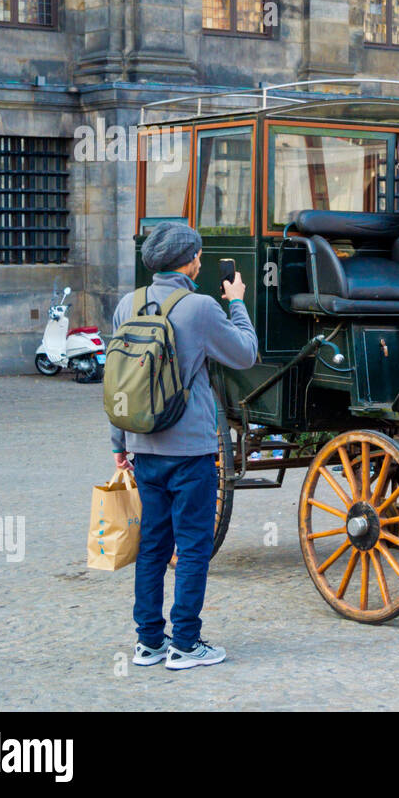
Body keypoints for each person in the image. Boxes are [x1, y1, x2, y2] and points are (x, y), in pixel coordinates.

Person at [110, 222, 258, 670]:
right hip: (190, 448)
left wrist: (119, 441)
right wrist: (237, 303)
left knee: (152, 547)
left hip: (142, 444)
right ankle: (186, 645)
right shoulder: (200, 306)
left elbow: (119, 377)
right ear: (191, 261)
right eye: (198, 255)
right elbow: (244, 354)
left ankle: (148, 643)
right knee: (192, 545)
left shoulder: (126, 304)